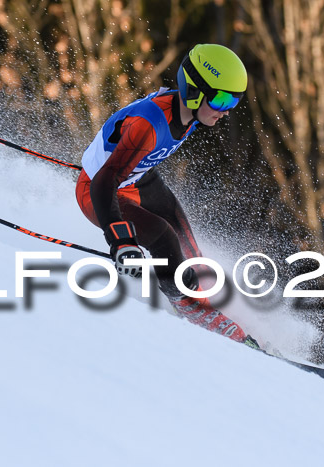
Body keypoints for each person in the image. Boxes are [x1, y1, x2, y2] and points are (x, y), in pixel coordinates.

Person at [75, 43, 260, 349]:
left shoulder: (189, 114)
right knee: (163, 237)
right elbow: (103, 182)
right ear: (196, 91)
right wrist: (121, 242)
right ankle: (189, 307)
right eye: (222, 99)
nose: (225, 112)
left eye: (234, 102)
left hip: (135, 179)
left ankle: (199, 293)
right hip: (98, 190)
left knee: (178, 223)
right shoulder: (151, 123)